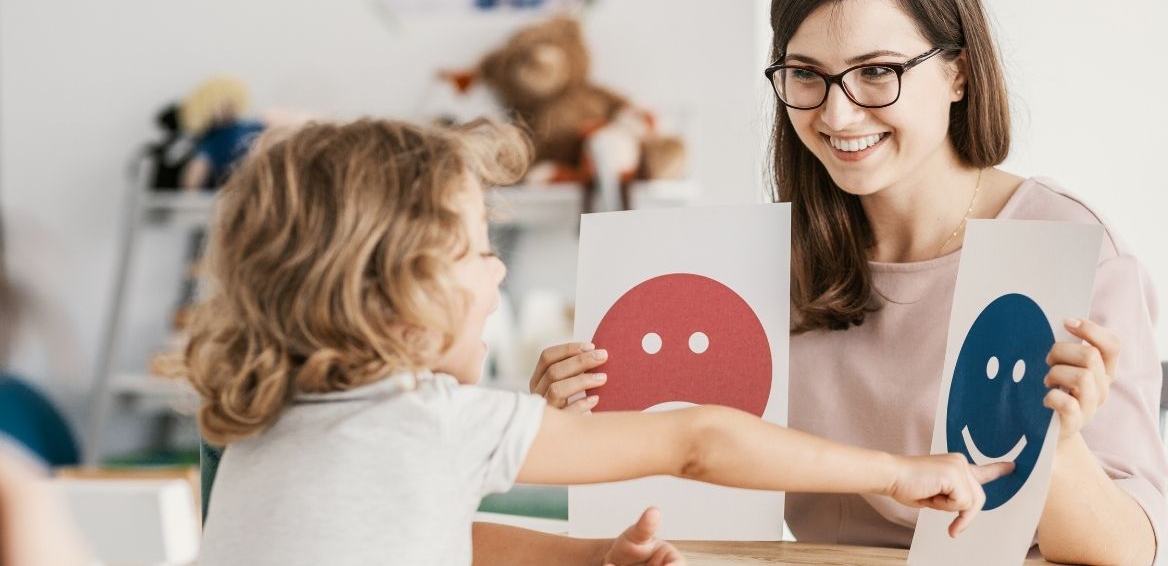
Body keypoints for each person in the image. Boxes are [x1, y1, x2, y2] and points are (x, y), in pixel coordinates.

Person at [528, 0, 1168, 564]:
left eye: (876, 72)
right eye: (807, 74)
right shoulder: (758, 263)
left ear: (958, 73)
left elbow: (1128, 550)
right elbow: (689, 474)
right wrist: (581, 421)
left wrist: (1056, 443)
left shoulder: (1066, 248)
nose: (837, 115)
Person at [186, 118, 1008, 565]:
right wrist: (898, 471)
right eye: (478, 250)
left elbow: (433, 539)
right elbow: (698, 438)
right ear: (395, 294)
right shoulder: (434, 419)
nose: (499, 275)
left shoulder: (260, 425)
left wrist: (591, 560)